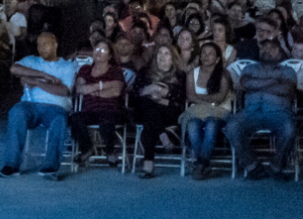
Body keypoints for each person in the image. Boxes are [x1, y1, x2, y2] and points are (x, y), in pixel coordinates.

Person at [0, 32, 75, 181]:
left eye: (45, 44)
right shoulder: (32, 61)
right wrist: (43, 75)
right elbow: (14, 69)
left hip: (55, 107)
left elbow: (64, 91)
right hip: (30, 105)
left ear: (55, 45)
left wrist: (36, 82)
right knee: (16, 112)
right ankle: (12, 165)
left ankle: (50, 166)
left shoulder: (66, 66)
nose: (41, 48)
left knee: (60, 119)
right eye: (39, 44)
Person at [224, 39, 297, 181]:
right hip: (250, 113)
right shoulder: (249, 69)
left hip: (279, 112)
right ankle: (252, 166)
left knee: (289, 129)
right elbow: (246, 84)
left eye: (272, 48)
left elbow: (286, 89)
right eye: (264, 48)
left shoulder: (288, 70)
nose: (267, 51)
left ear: (279, 52)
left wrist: (257, 83)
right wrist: (273, 81)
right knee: (232, 126)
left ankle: (276, 165)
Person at [70, 40, 126, 167]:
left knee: (107, 119)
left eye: (103, 50)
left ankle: (110, 151)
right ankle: (87, 149)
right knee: (75, 119)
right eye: (96, 49)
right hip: (90, 109)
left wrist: (93, 89)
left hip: (111, 109)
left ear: (110, 56)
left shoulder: (115, 71)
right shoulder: (85, 69)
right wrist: (104, 86)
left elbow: (116, 91)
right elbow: (80, 89)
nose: (98, 52)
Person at [181, 42, 232, 180]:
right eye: (203, 52)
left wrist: (200, 98)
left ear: (217, 59)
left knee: (211, 125)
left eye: (210, 53)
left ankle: (201, 164)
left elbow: (220, 98)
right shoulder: (192, 73)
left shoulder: (223, 75)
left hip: (219, 111)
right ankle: (204, 164)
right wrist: (210, 101)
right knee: (192, 126)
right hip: (197, 111)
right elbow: (190, 96)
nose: (206, 56)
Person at [134, 45, 186, 178]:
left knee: (149, 123)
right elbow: (136, 94)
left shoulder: (180, 75)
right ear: (155, 57)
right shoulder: (145, 72)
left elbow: (178, 101)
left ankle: (148, 166)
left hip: (169, 113)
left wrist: (154, 93)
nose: (162, 56)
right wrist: (154, 89)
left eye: (166, 53)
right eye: (159, 53)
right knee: (147, 107)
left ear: (173, 58)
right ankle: (163, 135)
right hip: (146, 111)